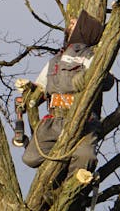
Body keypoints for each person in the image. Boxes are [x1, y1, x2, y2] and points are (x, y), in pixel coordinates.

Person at [20, 10, 112, 177]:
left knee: (85, 158)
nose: (69, 25)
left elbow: (107, 81)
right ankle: (53, 183)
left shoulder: (92, 58)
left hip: (82, 121)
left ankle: (68, 190)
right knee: (30, 158)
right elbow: (40, 87)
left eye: (74, 23)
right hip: (54, 120)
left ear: (84, 29)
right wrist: (27, 95)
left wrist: (84, 80)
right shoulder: (55, 60)